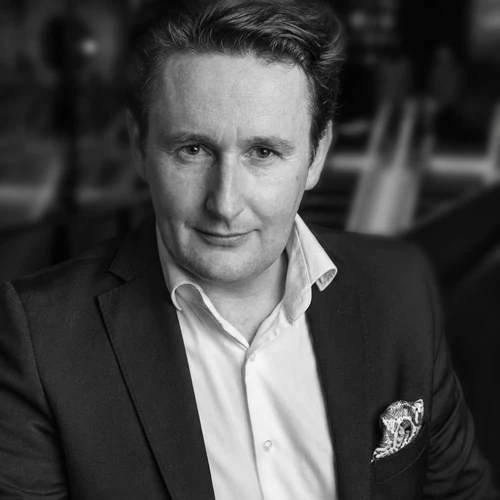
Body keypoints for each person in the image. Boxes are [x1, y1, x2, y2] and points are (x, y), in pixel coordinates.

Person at [0, 1, 497, 499]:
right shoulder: (39, 339)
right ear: (139, 146)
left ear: (317, 155)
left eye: (263, 153)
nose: (225, 204)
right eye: (193, 150)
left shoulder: (400, 288)